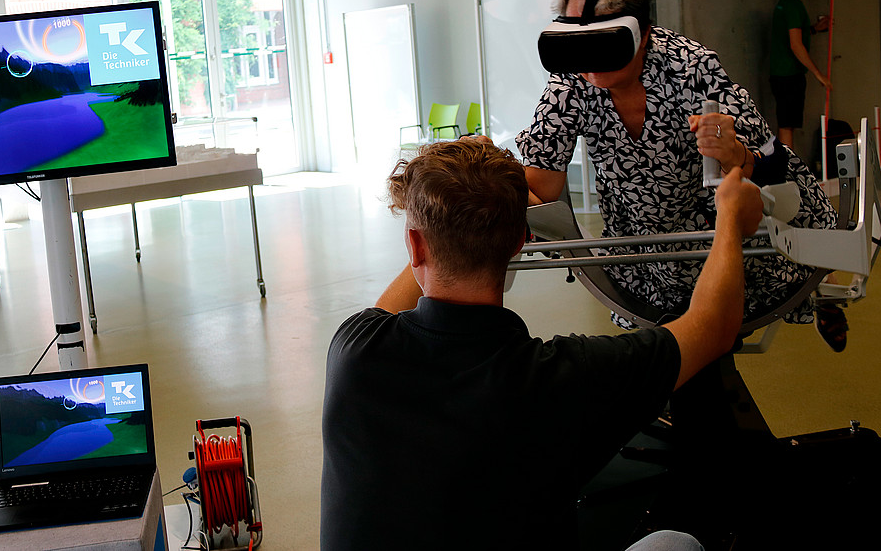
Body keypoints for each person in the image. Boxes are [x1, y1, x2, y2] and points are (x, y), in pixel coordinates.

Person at [321, 138, 762, 550]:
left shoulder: (355, 350)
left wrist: (446, 216)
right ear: (520, 241)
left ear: (414, 245)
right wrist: (729, 217)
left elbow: (408, 285)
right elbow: (714, 326)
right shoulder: (564, 379)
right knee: (676, 544)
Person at [516, 0, 847, 350]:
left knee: (746, 305)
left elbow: (773, 166)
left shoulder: (689, 67)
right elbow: (542, 192)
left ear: (643, 35)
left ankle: (823, 289)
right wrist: (491, 177)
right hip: (642, 246)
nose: (589, 63)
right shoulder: (569, 83)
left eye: (603, 43)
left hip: (719, 230)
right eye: (577, 41)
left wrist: (733, 152)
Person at [768, 0, 832, 150]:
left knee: (787, 122)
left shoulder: (786, 4)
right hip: (789, 74)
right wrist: (818, 74)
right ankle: (788, 164)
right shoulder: (793, 6)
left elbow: (791, 35)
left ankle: (786, 162)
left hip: (783, 73)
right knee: (787, 124)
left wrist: (814, 29)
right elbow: (795, 44)